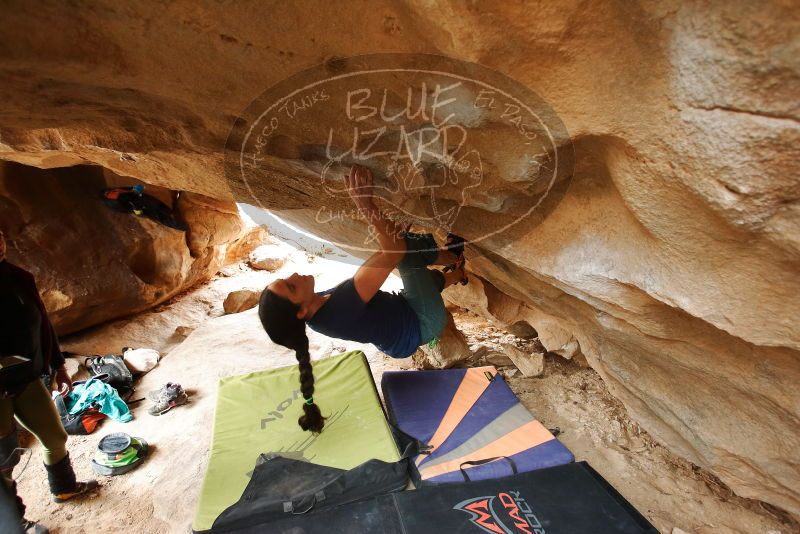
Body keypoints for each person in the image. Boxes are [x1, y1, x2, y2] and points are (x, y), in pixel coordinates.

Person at [259, 165, 468, 433]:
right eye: (290, 286)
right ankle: (452, 256)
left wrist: (390, 239)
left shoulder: (315, 307)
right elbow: (394, 251)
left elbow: (375, 263)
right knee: (406, 253)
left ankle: (459, 271)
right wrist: (366, 205)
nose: (294, 275)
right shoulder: (338, 311)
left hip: (400, 320)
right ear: (299, 312)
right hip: (421, 323)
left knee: (408, 259)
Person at [0, 230, 99, 534]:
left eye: (1, 236)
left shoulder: (19, 277)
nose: (0, 242)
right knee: (5, 459)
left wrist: (58, 366)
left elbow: (43, 325)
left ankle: (64, 487)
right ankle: (14, 522)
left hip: (27, 378)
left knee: (54, 436)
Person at [101, 184, 187, 231]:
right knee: (160, 215)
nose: (111, 191)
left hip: (140, 202)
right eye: (108, 192)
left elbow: (128, 189)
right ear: (107, 195)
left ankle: (175, 217)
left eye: (109, 191)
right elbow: (127, 202)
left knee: (160, 210)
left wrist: (134, 188)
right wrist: (135, 193)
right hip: (140, 206)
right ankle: (182, 226)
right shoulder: (113, 200)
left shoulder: (115, 192)